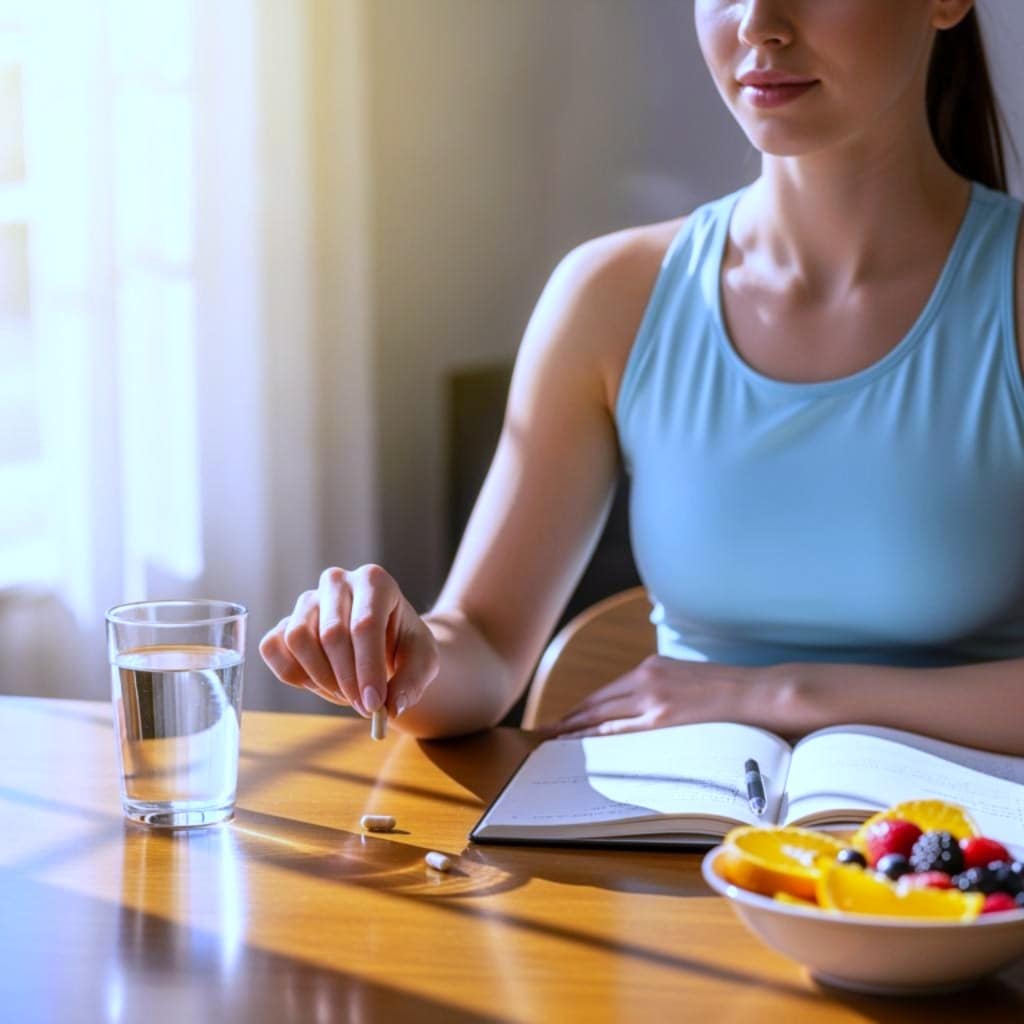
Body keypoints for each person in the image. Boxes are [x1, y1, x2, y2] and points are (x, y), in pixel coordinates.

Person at [260, 0, 1024, 755]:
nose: (759, 22)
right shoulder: (609, 296)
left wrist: (775, 695)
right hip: (674, 848)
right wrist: (395, 649)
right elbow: (486, 647)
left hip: (954, 862)